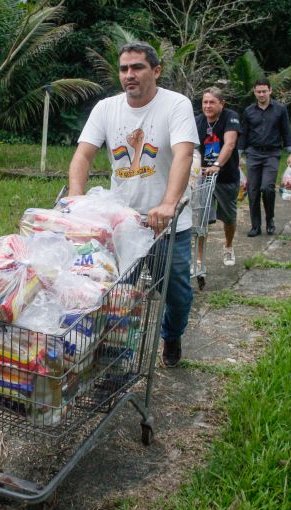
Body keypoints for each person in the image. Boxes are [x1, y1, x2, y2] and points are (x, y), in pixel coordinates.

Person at [67, 41, 197, 367]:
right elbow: (83, 154)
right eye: (124, 69)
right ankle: (113, 364)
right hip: (122, 224)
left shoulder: (176, 105)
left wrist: (169, 204)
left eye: (137, 67)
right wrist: (75, 198)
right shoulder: (106, 108)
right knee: (112, 296)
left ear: (156, 70)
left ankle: (172, 335)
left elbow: (184, 152)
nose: (130, 75)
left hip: (167, 224)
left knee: (177, 295)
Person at [239, 79, 291, 236]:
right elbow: (244, 134)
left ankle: (270, 220)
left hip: (272, 153)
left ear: (270, 90)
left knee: (267, 188)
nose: (261, 94)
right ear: (254, 92)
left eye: (264, 91)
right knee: (253, 190)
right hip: (253, 153)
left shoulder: (280, 109)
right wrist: (238, 155)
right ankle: (255, 226)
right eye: (258, 91)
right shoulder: (249, 111)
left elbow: (286, 131)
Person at [195, 87, 241, 267]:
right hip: (203, 177)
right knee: (201, 218)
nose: (207, 106)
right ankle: (199, 259)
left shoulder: (230, 117)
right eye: (205, 102)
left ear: (222, 103)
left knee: (229, 217)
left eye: (212, 102)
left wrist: (217, 165)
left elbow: (229, 144)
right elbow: (191, 146)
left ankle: (228, 246)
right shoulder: (198, 121)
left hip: (226, 176)